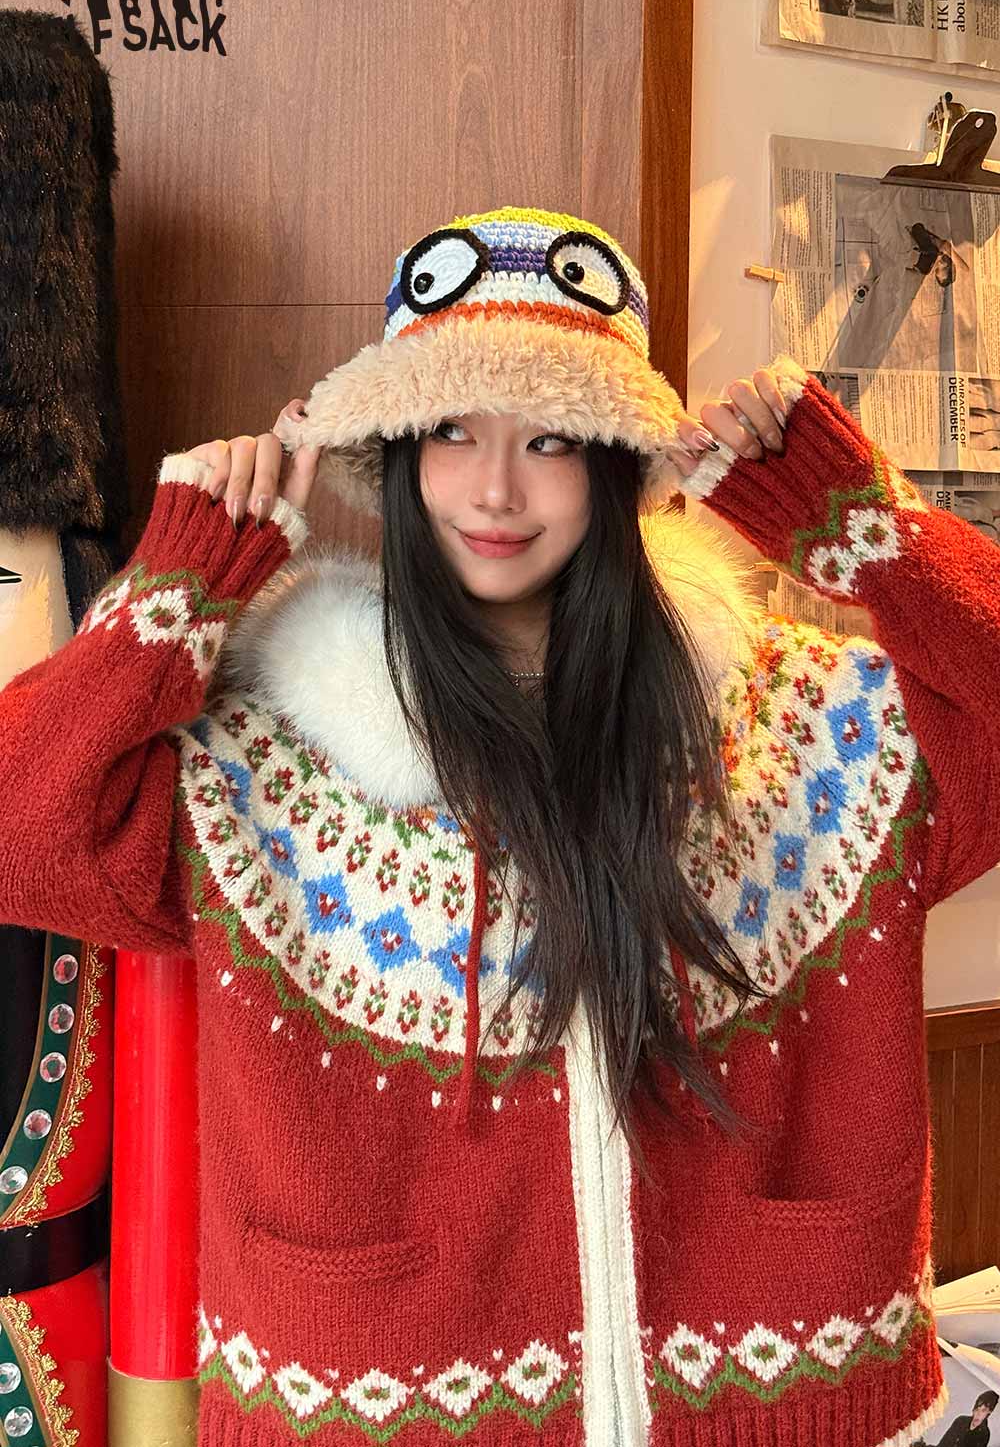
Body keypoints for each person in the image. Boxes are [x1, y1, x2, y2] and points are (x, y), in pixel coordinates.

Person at [0, 202, 997, 1447]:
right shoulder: (265, 756)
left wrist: (863, 530)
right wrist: (178, 585)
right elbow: (20, 830)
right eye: (452, 431)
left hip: (775, 1399)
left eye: (554, 439)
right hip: (376, 1409)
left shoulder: (800, 730)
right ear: (400, 455)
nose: (494, 488)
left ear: (619, 464)